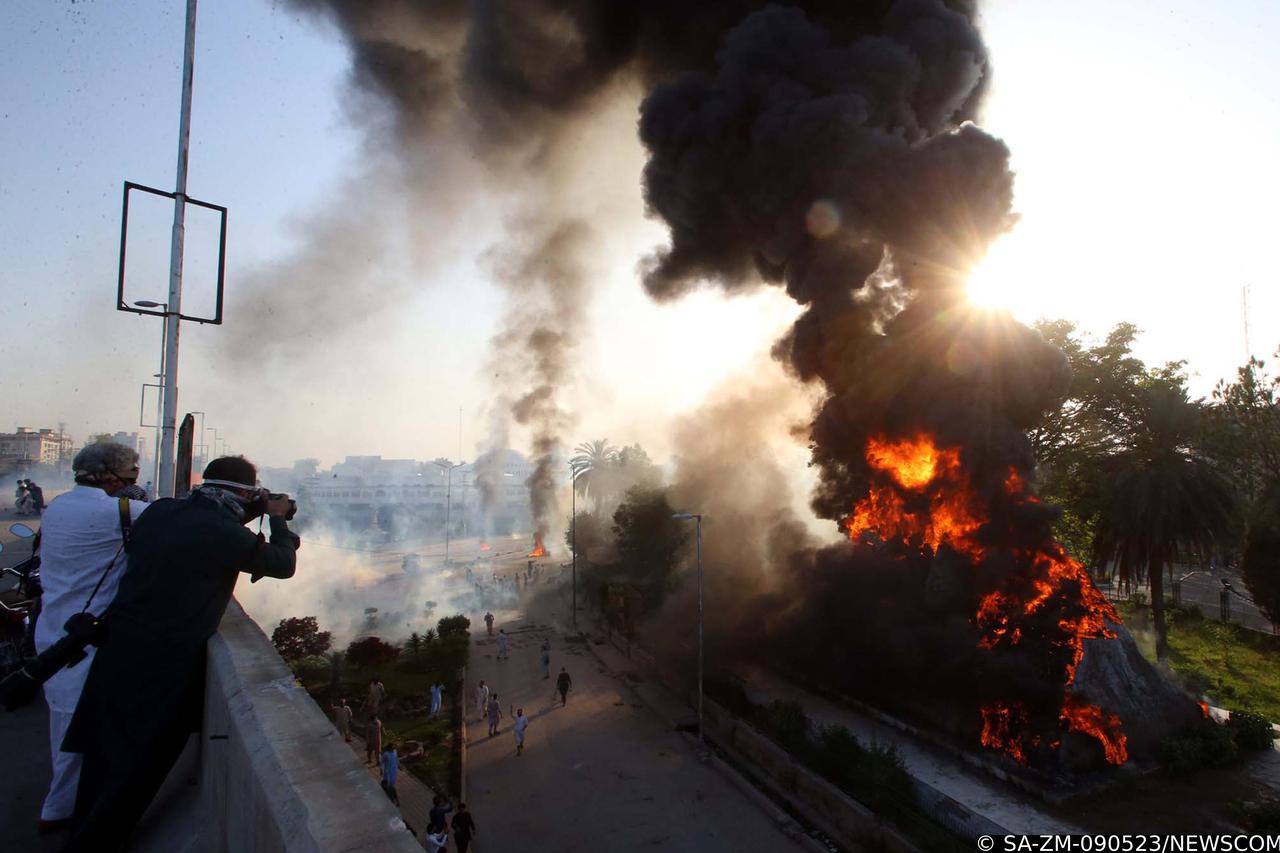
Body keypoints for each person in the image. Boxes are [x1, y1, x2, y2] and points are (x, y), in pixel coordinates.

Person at [61, 455, 298, 852]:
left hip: (118, 648)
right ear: (243, 493)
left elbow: (199, 533)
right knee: (135, 769)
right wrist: (276, 518)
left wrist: (253, 506)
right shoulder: (220, 532)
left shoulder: (161, 512)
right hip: (163, 665)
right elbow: (281, 563)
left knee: (101, 761)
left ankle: (80, 833)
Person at [32, 443, 149, 835]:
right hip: (83, 641)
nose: (135, 479)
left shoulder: (59, 506)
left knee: (65, 724)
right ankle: (60, 810)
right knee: (74, 730)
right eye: (132, 473)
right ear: (113, 477)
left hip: (54, 631)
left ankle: (68, 803)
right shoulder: (112, 512)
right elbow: (178, 519)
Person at [380, 741, 400, 806]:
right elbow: (382, 762)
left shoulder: (395, 752)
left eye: (393, 747)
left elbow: (397, 759)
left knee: (392, 785)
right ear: (389, 748)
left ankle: (394, 799)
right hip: (387, 772)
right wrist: (381, 770)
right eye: (391, 747)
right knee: (389, 786)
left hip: (394, 771)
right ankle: (393, 799)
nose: (393, 749)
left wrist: (399, 765)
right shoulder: (386, 754)